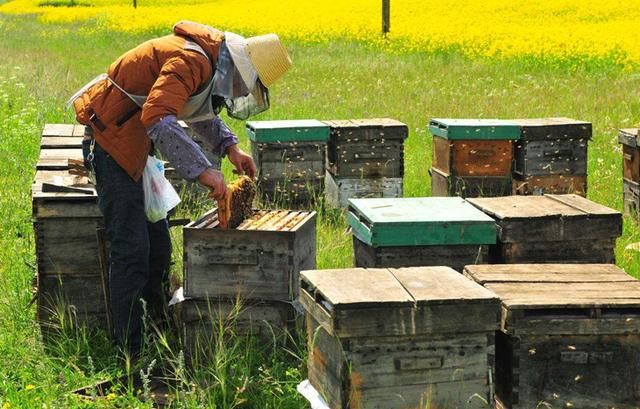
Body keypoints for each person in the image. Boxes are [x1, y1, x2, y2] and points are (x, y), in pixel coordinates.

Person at [69, 20, 292, 356]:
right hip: (111, 143)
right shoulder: (191, 60)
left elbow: (194, 110)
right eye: (244, 88)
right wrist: (203, 170)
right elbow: (158, 116)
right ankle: (130, 352)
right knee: (131, 251)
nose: (239, 94)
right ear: (240, 70)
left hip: (137, 146)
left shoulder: (205, 60)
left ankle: (157, 325)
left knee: (157, 248)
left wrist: (230, 147)